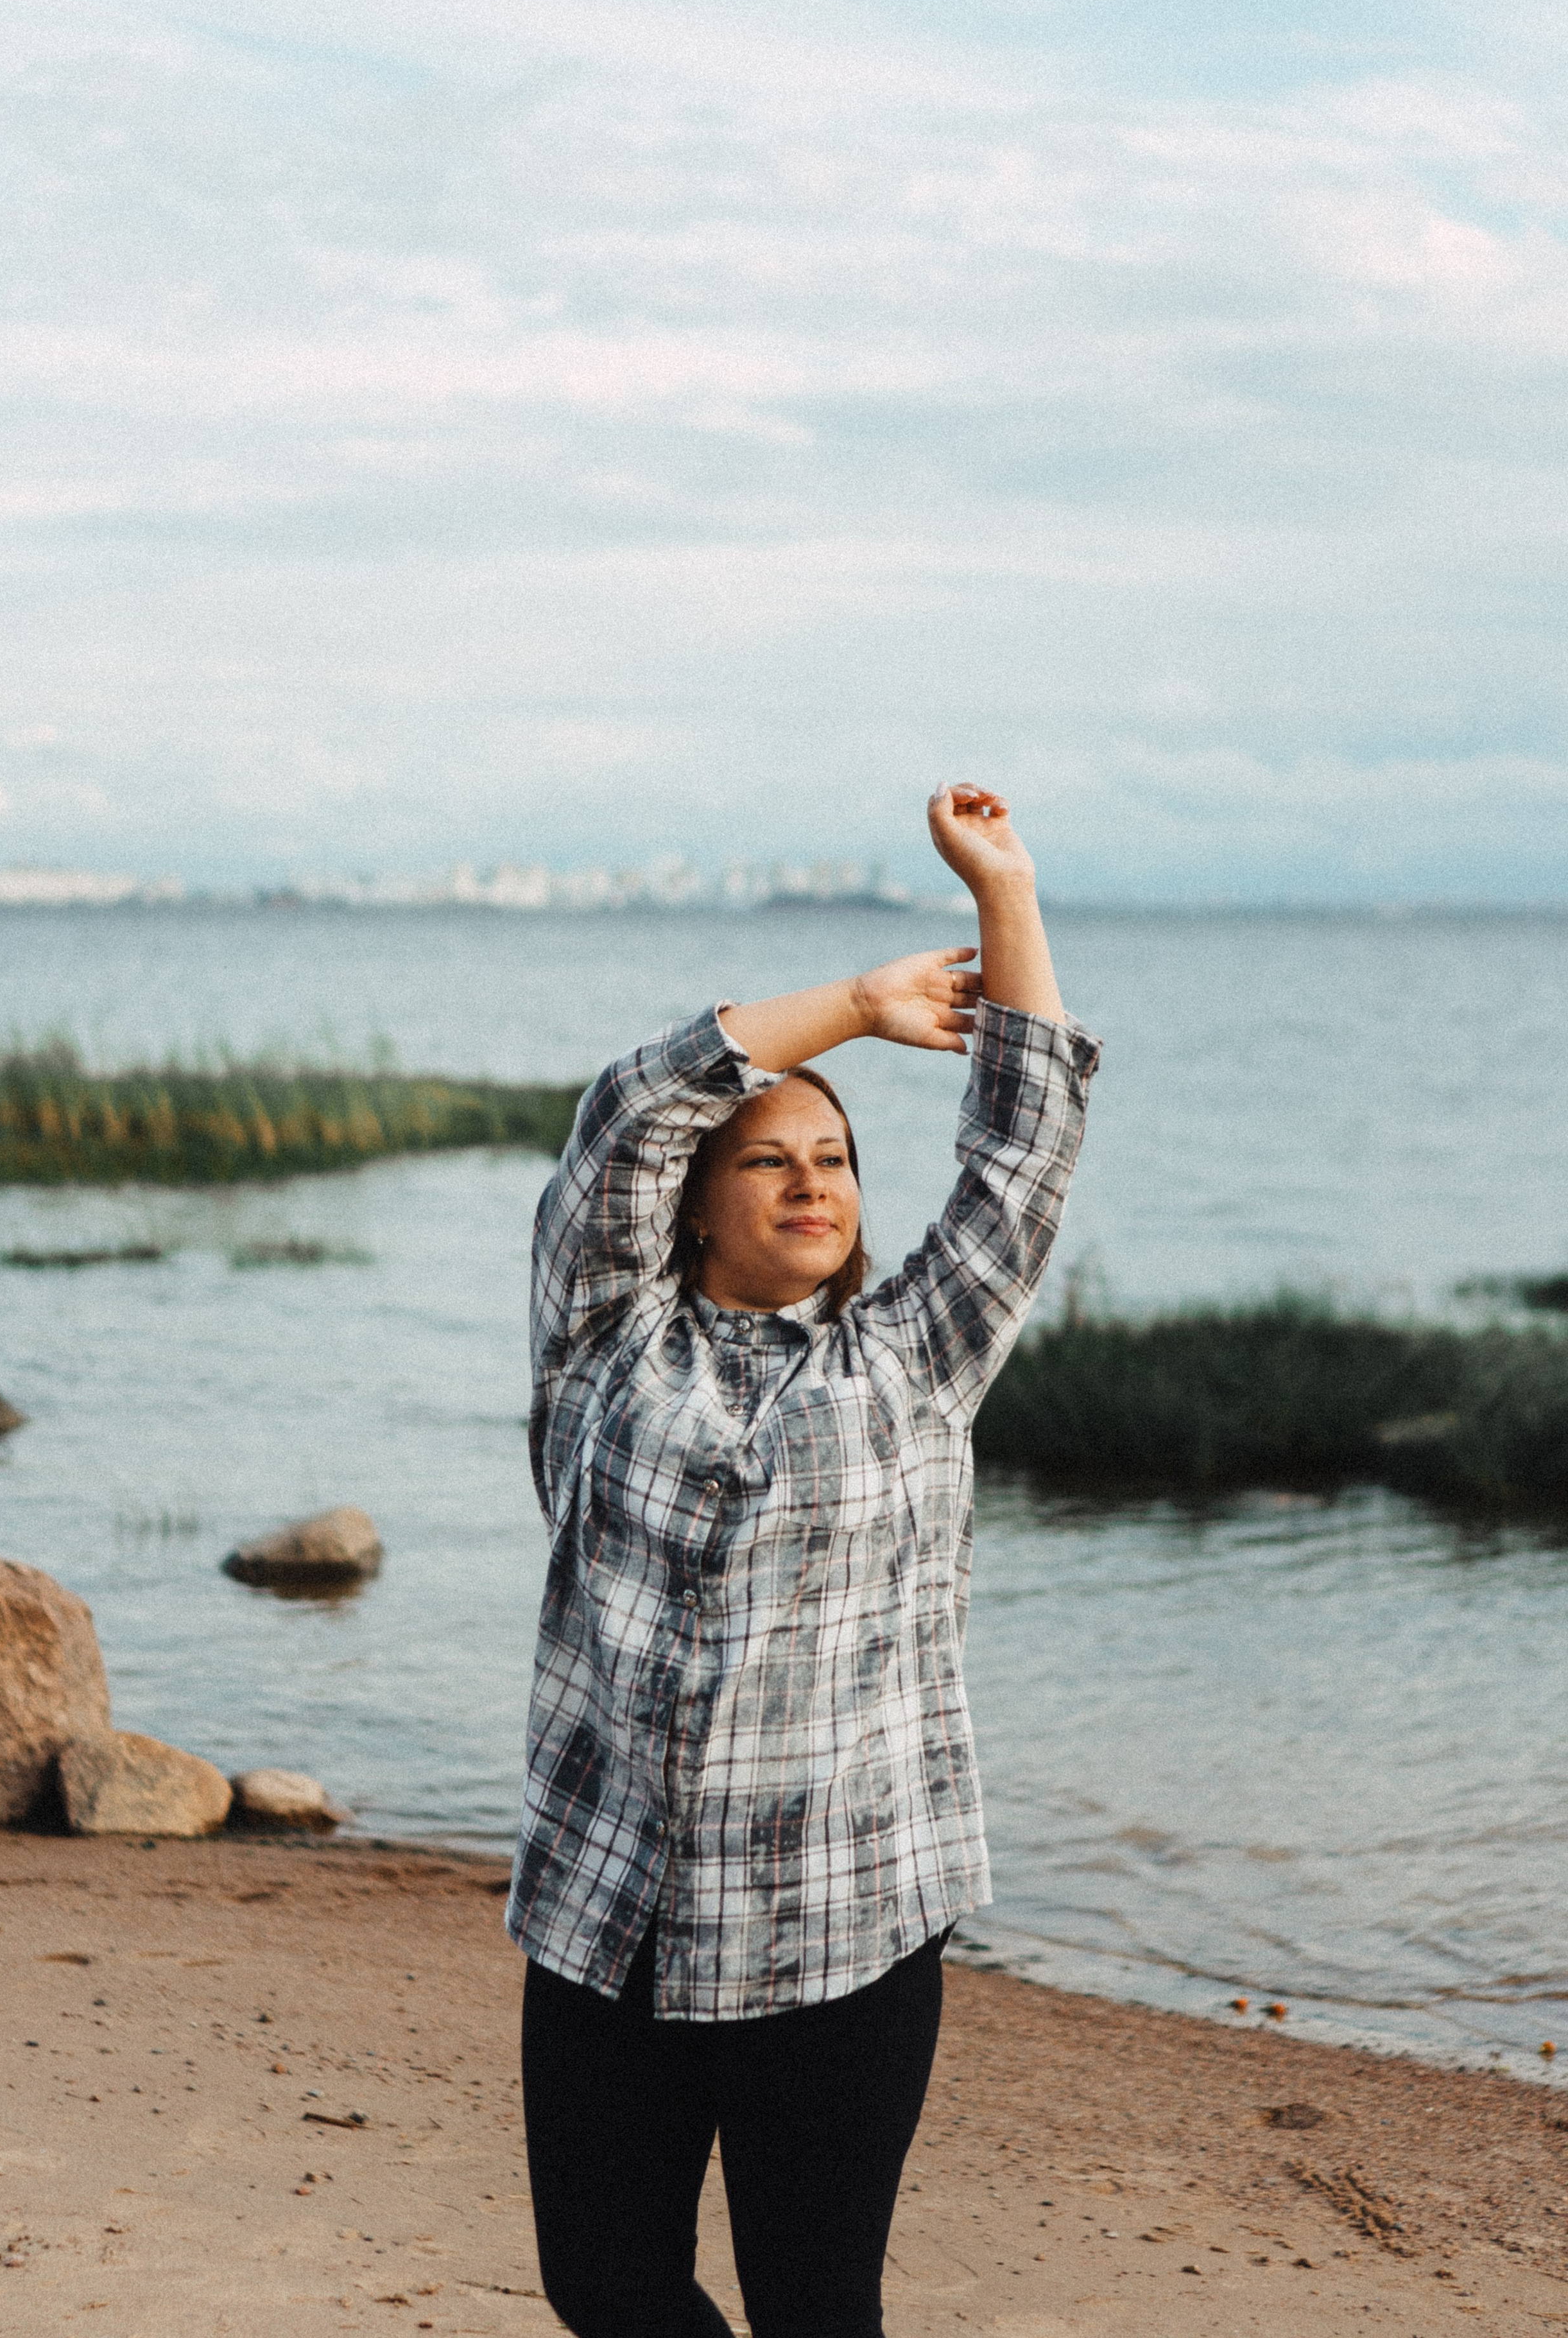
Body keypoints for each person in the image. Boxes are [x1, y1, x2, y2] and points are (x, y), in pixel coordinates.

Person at [507, 783, 1101, 2338]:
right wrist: (844, 1009)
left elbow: (1021, 1154)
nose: (812, 1178)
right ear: (695, 1203)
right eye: (768, 1156)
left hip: (836, 1932)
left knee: (815, 2306)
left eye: (833, 1157)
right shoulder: (601, 1341)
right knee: (608, 2285)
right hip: (606, 1923)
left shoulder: (914, 1357)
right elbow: (628, 1107)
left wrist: (1003, 894)